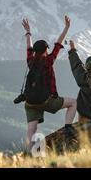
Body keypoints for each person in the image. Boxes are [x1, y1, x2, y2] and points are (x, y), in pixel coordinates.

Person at [21, 16, 77, 150]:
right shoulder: (49, 61)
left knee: (31, 130)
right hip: (47, 101)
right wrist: (67, 27)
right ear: (46, 50)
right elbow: (58, 43)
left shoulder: (30, 61)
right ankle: (68, 127)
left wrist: (28, 32)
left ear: (35, 52)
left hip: (30, 103)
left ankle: (30, 154)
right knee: (74, 102)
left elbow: (28, 46)